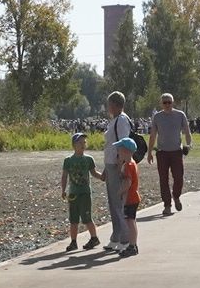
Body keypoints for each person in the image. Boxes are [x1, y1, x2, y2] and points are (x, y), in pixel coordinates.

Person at [101, 92, 134, 252]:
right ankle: (116, 236)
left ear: (114, 104)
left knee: (118, 202)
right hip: (110, 165)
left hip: (117, 165)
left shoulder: (121, 120)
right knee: (113, 202)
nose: (108, 107)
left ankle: (125, 238)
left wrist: (121, 167)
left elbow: (123, 144)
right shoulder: (115, 120)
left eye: (109, 104)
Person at [150, 92, 192, 216]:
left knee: (179, 177)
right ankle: (167, 205)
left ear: (173, 103)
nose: (167, 104)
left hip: (176, 152)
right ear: (161, 104)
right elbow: (153, 135)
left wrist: (189, 145)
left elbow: (187, 132)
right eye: (165, 102)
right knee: (163, 180)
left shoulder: (180, 115)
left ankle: (176, 196)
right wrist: (149, 152)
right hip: (162, 152)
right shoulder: (157, 117)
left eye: (169, 102)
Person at [60, 133, 103, 253]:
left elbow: (94, 173)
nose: (83, 144)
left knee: (87, 218)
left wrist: (103, 177)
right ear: (74, 145)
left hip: (85, 193)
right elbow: (64, 176)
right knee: (73, 220)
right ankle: (73, 242)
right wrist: (63, 190)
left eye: (84, 142)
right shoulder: (68, 160)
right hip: (73, 193)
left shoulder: (88, 159)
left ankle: (94, 238)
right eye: (80, 142)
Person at [113, 137, 142, 256]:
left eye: (119, 150)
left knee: (130, 222)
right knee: (131, 221)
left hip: (130, 198)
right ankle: (133, 244)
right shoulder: (132, 163)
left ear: (126, 151)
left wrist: (120, 192)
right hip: (133, 197)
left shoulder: (129, 165)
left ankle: (132, 245)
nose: (118, 152)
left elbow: (127, 182)